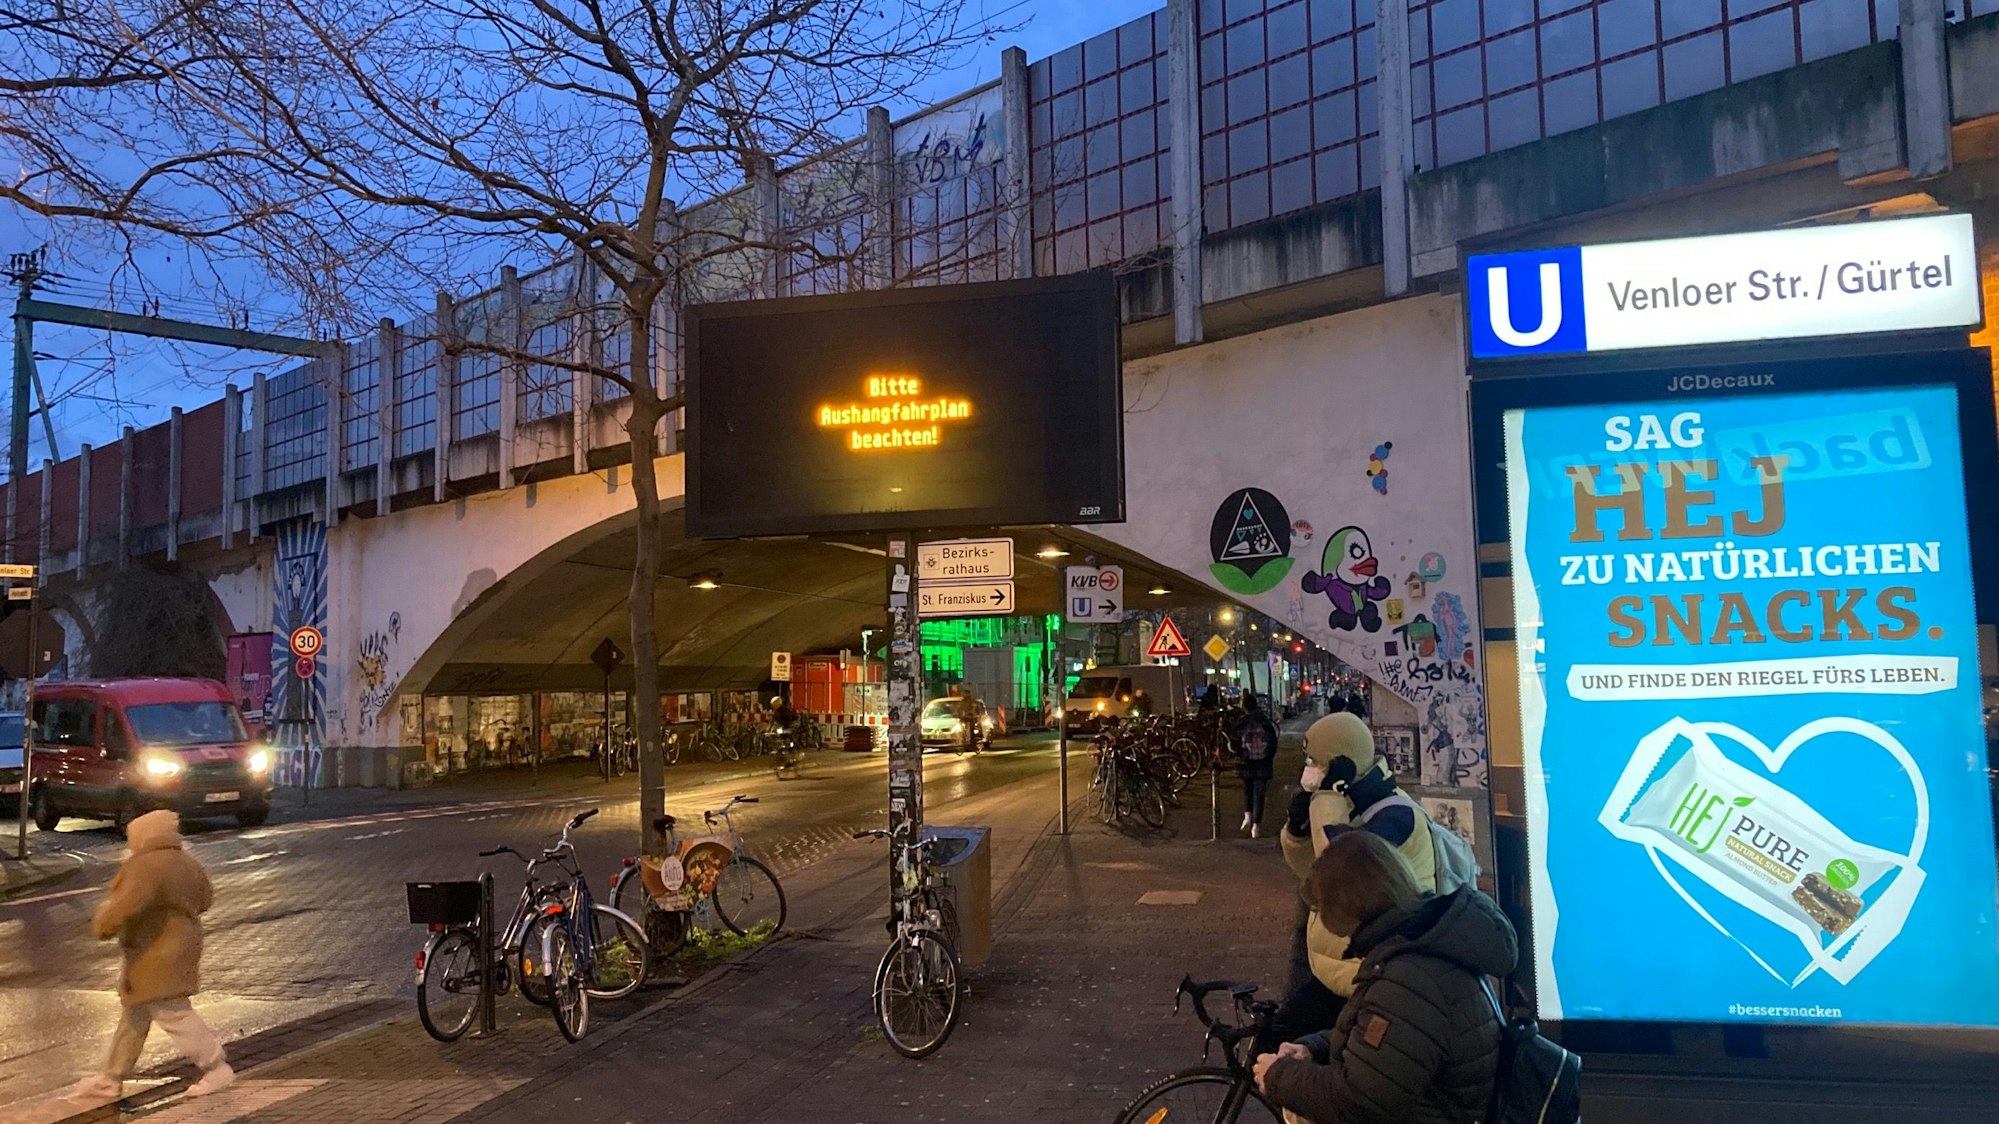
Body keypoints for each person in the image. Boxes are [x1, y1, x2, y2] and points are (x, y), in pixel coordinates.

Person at [1254, 830, 1515, 1124]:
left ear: (1347, 906)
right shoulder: (1424, 944)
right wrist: (1313, 1048)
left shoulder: (1409, 977)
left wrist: (1279, 1077)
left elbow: (1360, 1099)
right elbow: (1391, 1051)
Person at [1258, 710, 1445, 1050]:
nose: (1310, 769)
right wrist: (1298, 833)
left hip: (1373, 969)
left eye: (1317, 761)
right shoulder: (1352, 804)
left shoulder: (1396, 815)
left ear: (1343, 762)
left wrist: (1327, 797)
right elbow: (1314, 872)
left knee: (1293, 1046)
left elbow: (1342, 869)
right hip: (1344, 963)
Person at [67, 811, 234, 1102]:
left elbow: (126, 903)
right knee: (135, 1016)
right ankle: (110, 1078)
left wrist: (103, 923)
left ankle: (216, 1067)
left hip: (156, 951)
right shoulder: (187, 862)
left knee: (173, 1012)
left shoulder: (145, 865)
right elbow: (205, 898)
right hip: (180, 945)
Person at [1233, 692, 1278, 838]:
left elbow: (1233, 742)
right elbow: (1273, 742)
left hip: (1246, 762)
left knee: (1247, 790)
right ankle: (1256, 827)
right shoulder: (1265, 721)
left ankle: (1247, 817)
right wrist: (1269, 757)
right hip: (1263, 762)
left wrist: (1239, 753)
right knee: (1259, 794)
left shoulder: (1241, 723)